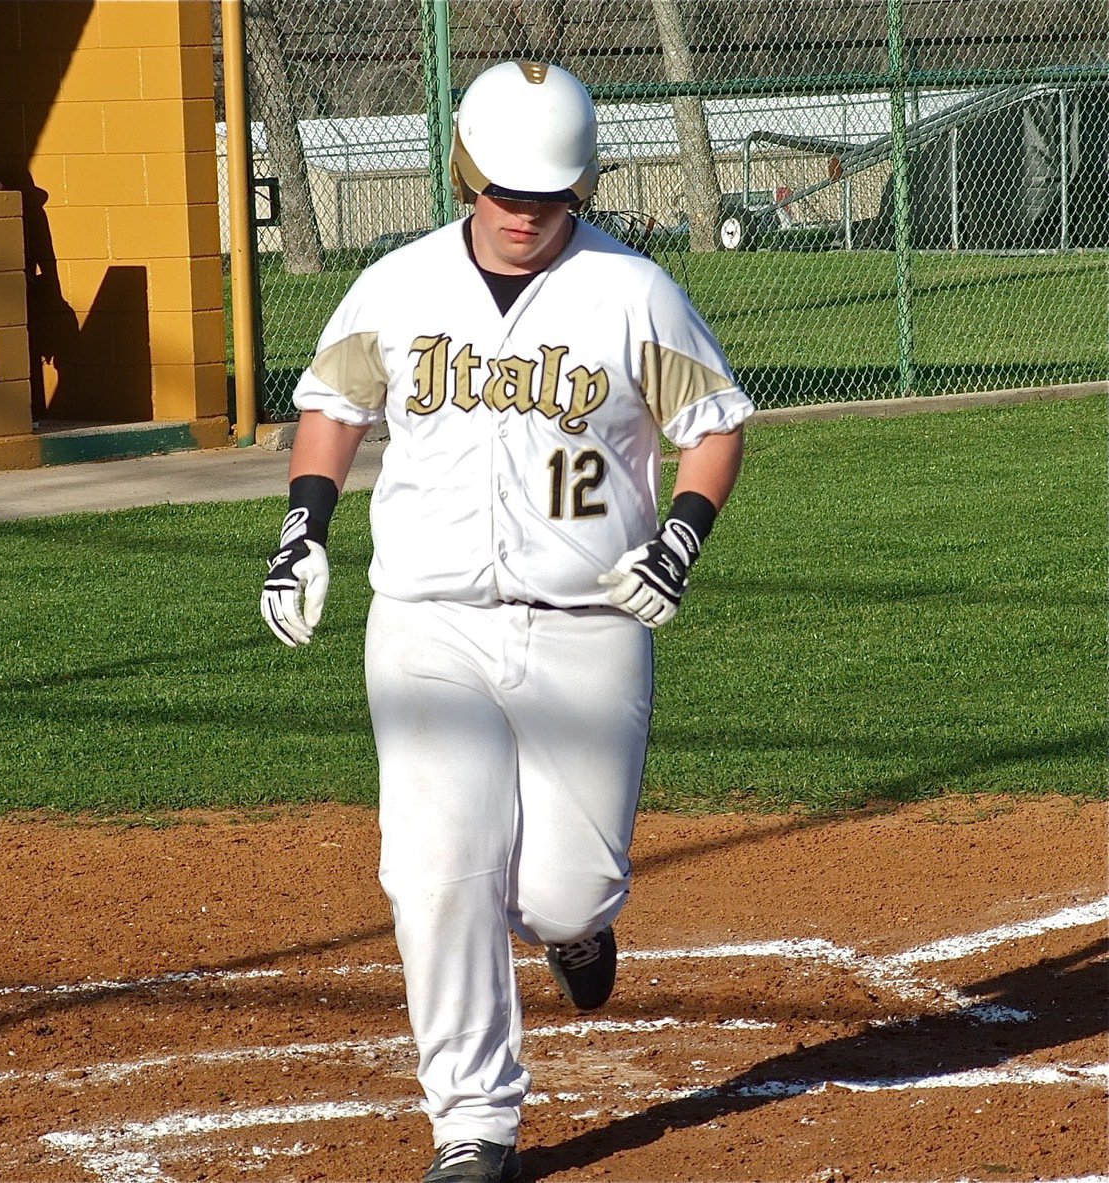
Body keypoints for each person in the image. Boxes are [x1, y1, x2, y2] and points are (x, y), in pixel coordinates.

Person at [260, 60, 754, 1183]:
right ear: (466, 176)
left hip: (587, 621)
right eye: (509, 194)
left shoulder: (633, 290)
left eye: (554, 196)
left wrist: (677, 540)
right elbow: (333, 405)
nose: (530, 217)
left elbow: (714, 427)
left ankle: (578, 927)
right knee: (437, 867)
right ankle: (473, 1123)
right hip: (428, 621)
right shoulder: (396, 285)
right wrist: (302, 533)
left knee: (560, 890)